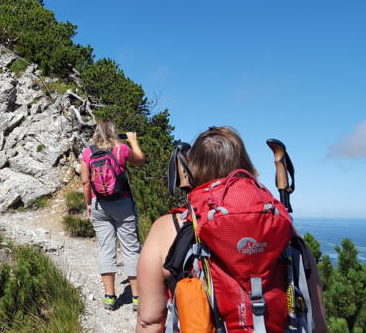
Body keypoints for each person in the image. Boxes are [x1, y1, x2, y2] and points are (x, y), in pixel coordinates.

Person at [136, 126, 327, 333]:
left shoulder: (169, 227)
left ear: (190, 169)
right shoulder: (282, 227)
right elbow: (316, 321)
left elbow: (150, 321)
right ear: (245, 165)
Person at [81, 120, 145, 311]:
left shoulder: (88, 152)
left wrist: (88, 205)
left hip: (100, 204)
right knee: (130, 248)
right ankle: (137, 298)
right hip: (123, 204)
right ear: (114, 132)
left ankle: (109, 297)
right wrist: (133, 141)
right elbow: (140, 160)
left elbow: (85, 182)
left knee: (105, 248)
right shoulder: (121, 149)